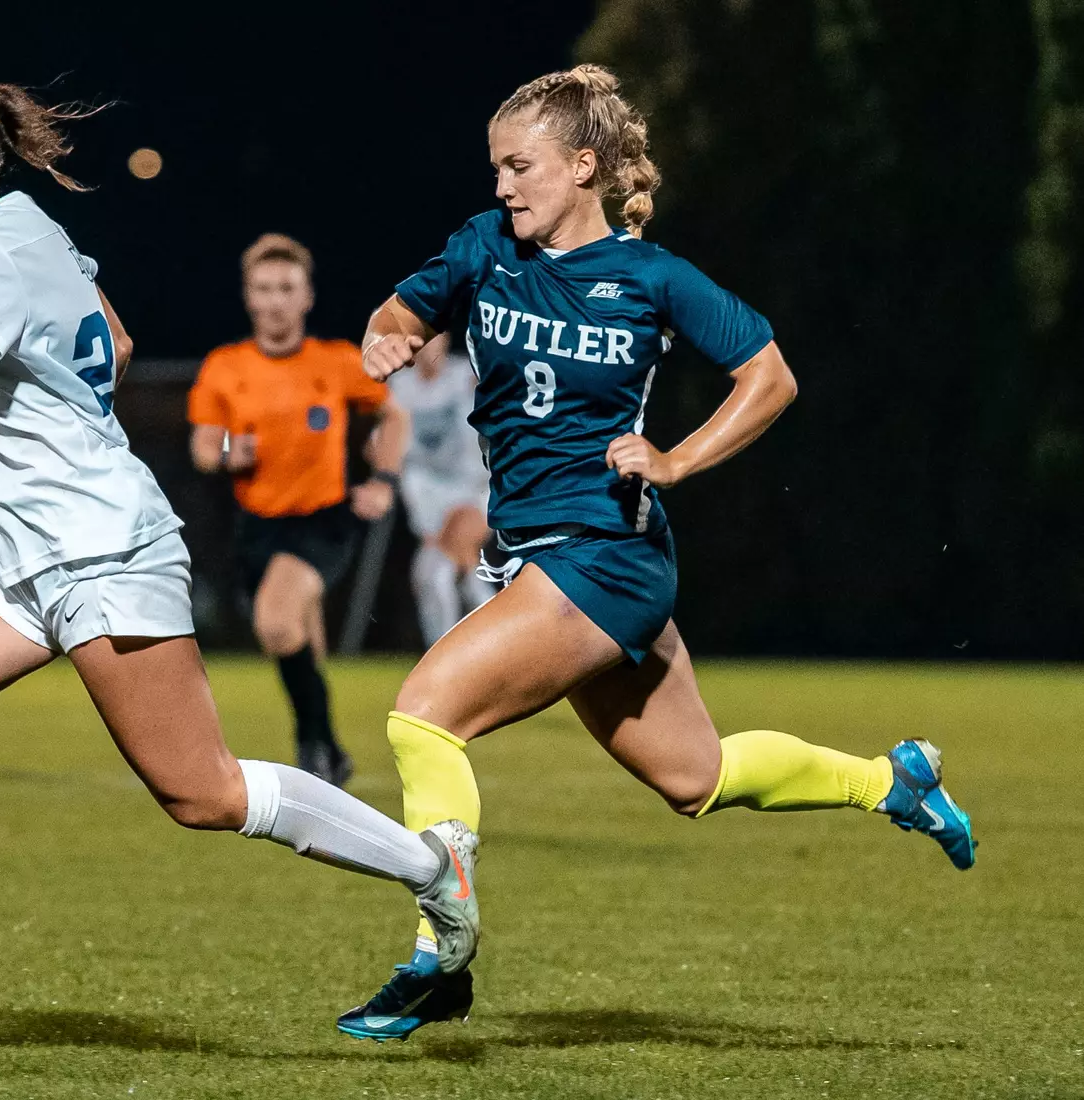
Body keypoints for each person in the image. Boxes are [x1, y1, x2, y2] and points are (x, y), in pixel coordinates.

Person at [0, 81, 479, 1051]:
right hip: (15, 557)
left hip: (99, 552)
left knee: (201, 790)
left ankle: (432, 870)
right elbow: (116, 342)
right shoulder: (32, 230)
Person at [335, 65, 976, 1042]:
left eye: (521, 166)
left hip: (604, 554)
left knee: (424, 714)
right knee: (697, 778)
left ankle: (441, 944)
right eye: (496, 168)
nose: (502, 185)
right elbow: (397, 312)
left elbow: (769, 376)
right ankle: (894, 780)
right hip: (556, 558)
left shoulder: (650, 278)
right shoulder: (482, 248)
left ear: (582, 165)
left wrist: (676, 457)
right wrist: (387, 335)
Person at [187, 235, 410, 785]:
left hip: (323, 520)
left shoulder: (335, 362)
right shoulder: (225, 366)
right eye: (264, 289)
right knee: (296, 639)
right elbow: (201, 448)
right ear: (248, 296)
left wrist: (383, 479)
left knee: (276, 621)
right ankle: (329, 750)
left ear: (307, 296)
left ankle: (314, 750)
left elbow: (395, 419)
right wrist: (225, 453)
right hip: (256, 527)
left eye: (287, 288)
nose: (276, 300)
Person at [385, 333, 495, 646]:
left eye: (433, 338)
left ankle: (460, 653)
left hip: (473, 489)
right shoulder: (400, 386)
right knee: (436, 574)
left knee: (444, 568)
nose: (426, 347)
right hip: (427, 498)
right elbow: (385, 439)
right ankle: (461, 651)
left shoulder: (465, 376)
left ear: (445, 340)